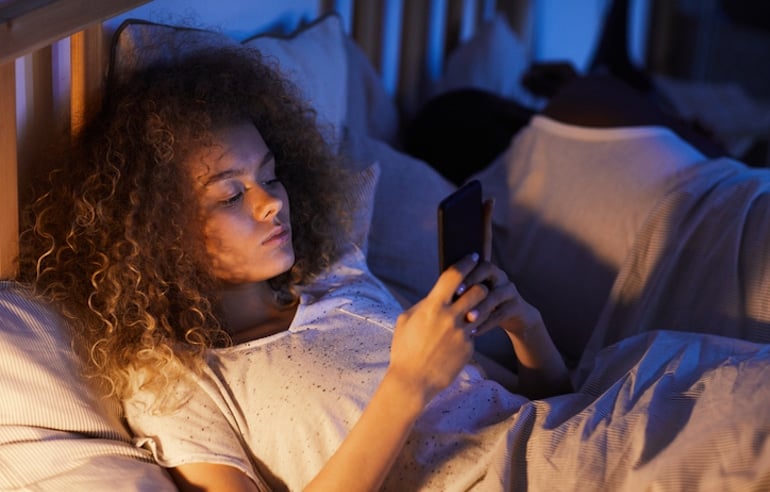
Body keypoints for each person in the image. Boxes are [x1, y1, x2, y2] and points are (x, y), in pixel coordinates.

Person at [17, 44, 571, 491]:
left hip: (569, 443)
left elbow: (539, 410)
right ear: (158, 232)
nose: (271, 202)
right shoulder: (177, 385)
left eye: (270, 175)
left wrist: (528, 328)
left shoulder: (340, 278)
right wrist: (407, 384)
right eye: (231, 195)